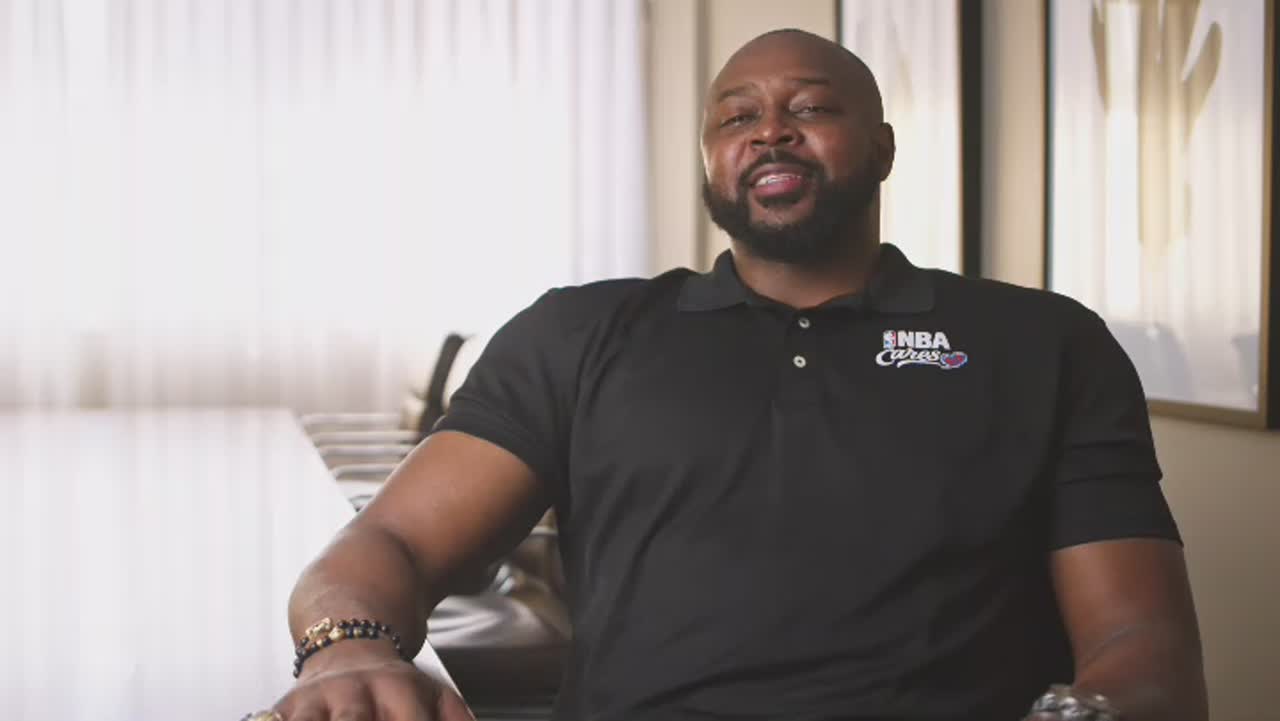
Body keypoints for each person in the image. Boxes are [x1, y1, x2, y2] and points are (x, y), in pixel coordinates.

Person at [255, 29, 1207, 721]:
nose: (771, 132)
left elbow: (1142, 646)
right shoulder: (579, 334)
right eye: (737, 116)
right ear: (711, 161)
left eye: (811, 108)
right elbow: (390, 543)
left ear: (882, 148)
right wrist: (347, 651)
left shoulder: (1044, 342)